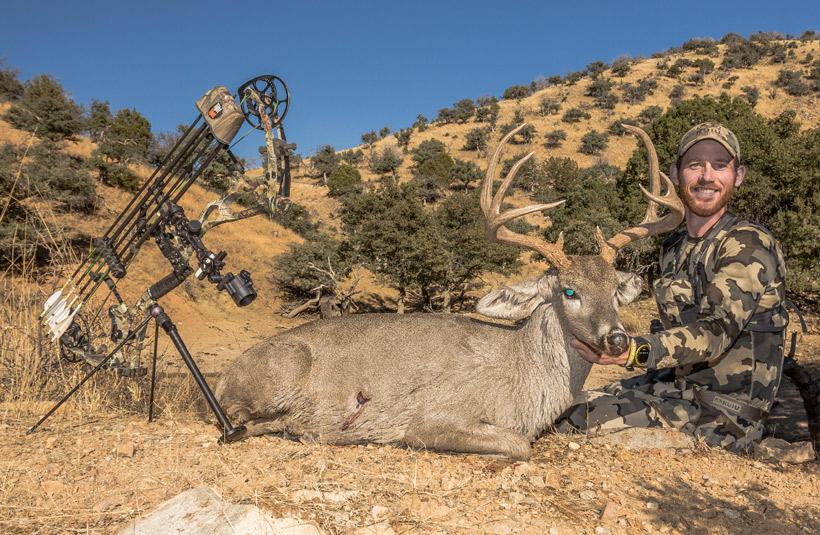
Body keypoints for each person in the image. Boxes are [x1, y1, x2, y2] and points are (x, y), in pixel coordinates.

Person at [556, 121, 789, 453]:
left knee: (571, 420)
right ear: (676, 173)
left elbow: (714, 334)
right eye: (695, 164)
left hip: (725, 415)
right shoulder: (675, 244)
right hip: (675, 388)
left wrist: (634, 351)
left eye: (720, 165)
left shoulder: (748, 244)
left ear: (738, 176)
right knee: (556, 403)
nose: (707, 176)